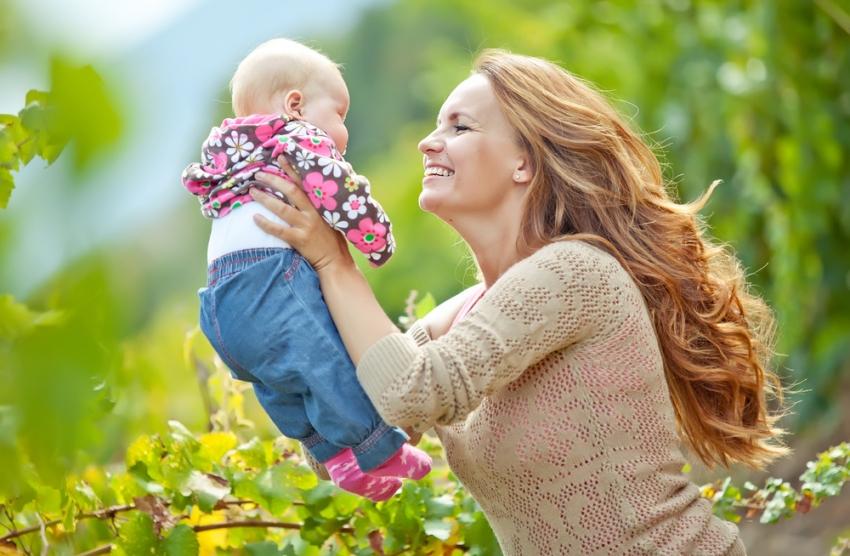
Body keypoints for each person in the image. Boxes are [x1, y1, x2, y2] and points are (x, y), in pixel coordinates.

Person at [249, 49, 787, 554]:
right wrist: (269, 317)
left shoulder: (576, 273)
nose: (429, 142)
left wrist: (334, 262)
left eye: (460, 126)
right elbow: (354, 431)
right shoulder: (463, 315)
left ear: (524, 162)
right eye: (437, 124)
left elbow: (413, 392)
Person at [182, 38, 431, 502]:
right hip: (269, 278)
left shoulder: (227, 152)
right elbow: (338, 190)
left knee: (281, 383)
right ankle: (379, 448)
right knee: (326, 360)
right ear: (295, 105)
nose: (344, 132)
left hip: (219, 301)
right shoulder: (297, 136)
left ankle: (336, 458)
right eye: (340, 114)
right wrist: (375, 238)